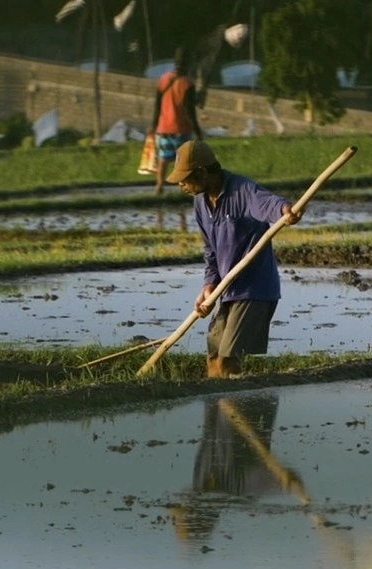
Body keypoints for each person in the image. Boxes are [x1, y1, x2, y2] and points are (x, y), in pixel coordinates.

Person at [165, 139, 302, 378]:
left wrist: (284, 211)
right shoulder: (200, 204)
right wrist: (209, 284)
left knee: (228, 359)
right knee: (214, 356)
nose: (181, 185)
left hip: (253, 290)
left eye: (184, 178)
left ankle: (242, 412)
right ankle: (216, 413)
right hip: (227, 291)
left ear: (202, 172)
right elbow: (211, 250)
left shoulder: (242, 190)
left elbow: (267, 202)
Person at [149, 47, 203, 195]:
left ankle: (159, 186)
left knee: (163, 158)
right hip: (181, 129)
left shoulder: (163, 79)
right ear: (189, 63)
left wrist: (153, 126)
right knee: (183, 162)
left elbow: (157, 105)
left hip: (163, 128)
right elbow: (190, 112)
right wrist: (198, 132)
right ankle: (183, 189)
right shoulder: (187, 84)